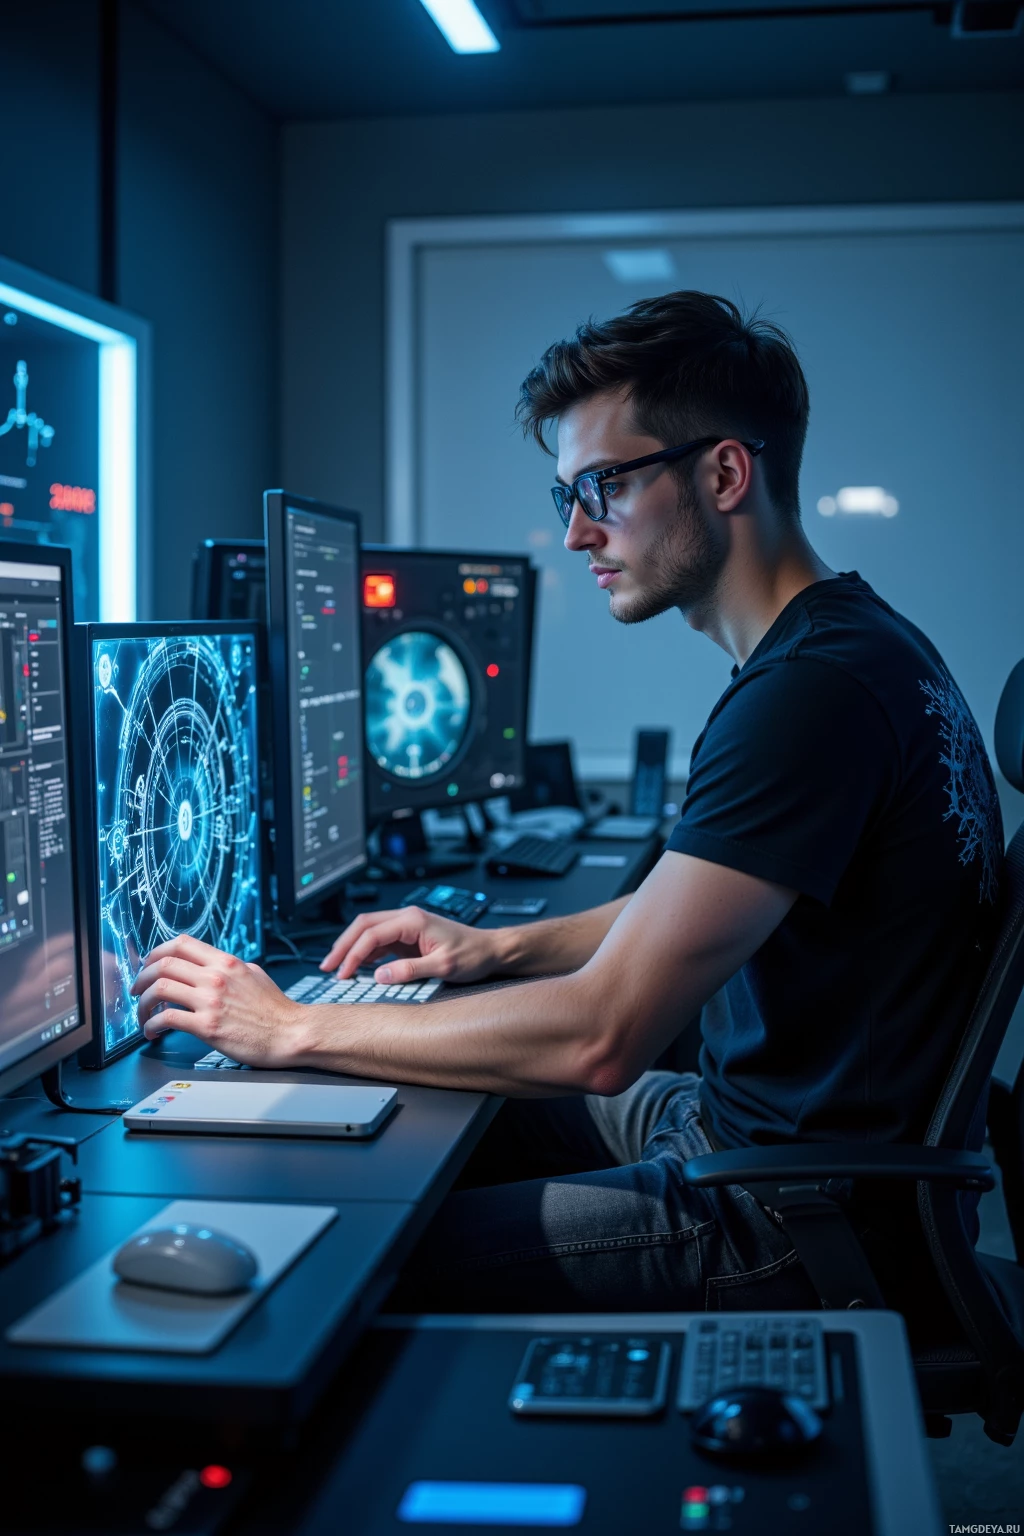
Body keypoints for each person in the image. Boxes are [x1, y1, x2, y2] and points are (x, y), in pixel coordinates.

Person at [132, 291, 1003, 1313]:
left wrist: (288, 1029)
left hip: (787, 1207)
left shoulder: (810, 697)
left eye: (602, 487)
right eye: (567, 498)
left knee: (344, 1264)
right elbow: (695, 905)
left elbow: (603, 1038)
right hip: (740, 1126)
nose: (579, 533)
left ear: (723, 473)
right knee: (405, 1103)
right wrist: (492, 948)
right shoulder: (852, 647)